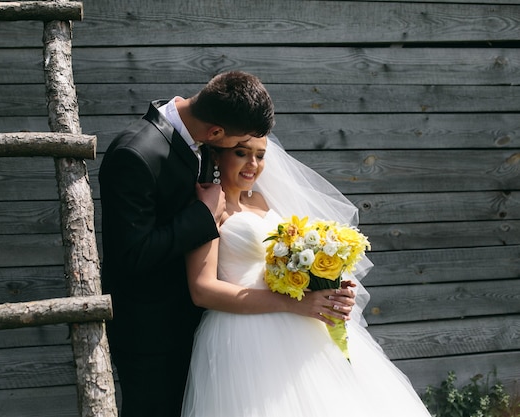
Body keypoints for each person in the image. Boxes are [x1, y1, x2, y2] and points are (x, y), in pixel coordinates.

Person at [181, 135, 433, 417]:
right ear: (217, 156)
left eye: (260, 155)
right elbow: (202, 289)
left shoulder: (262, 201)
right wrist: (294, 304)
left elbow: (287, 265)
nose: (253, 164)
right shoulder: (208, 205)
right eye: (241, 153)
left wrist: (330, 287)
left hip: (299, 326)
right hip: (243, 333)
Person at [98, 71, 277, 417]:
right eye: (238, 147)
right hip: (151, 336)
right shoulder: (134, 154)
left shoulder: (200, 141)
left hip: (202, 330)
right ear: (215, 134)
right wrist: (203, 215)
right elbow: (130, 255)